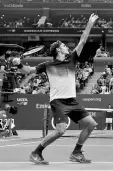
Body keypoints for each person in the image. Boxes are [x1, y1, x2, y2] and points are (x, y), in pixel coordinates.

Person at [15, 13, 99, 165]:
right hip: (58, 102)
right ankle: (36, 152)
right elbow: (28, 71)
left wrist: (90, 24)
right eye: (64, 46)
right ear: (59, 50)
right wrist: (18, 64)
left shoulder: (72, 59)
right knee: (60, 130)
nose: (67, 48)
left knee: (91, 124)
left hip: (72, 101)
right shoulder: (47, 65)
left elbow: (83, 40)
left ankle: (76, 152)